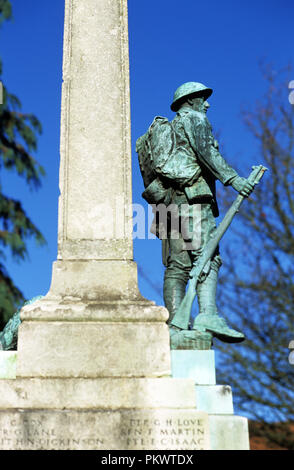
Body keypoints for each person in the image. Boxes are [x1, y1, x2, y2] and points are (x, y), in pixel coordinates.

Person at [137, 82, 253, 346]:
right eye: (203, 99)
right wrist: (234, 179)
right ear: (190, 101)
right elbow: (207, 152)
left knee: (177, 266)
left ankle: (175, 326)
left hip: (168, 203)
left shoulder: (169, 129)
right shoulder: (195, 119)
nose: (207, 104)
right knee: (208, 256)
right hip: (192, 199)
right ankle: (208, 314)